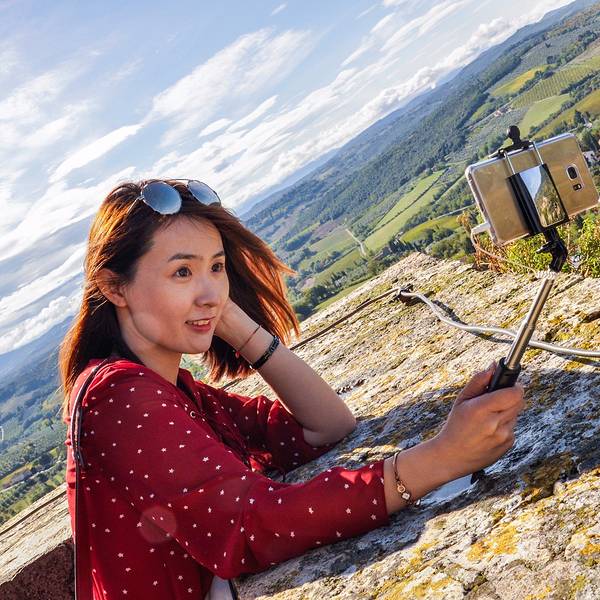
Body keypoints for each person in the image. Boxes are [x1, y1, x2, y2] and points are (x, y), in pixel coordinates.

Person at [59, 178, 525, 599]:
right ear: (115, 288)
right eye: (183, 272)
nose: (210, 293)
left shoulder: (176, 390)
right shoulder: (117, 398)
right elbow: (251, 525)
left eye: (217, 268)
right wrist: (442, 458)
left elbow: (326, 427)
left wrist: (235, 324)